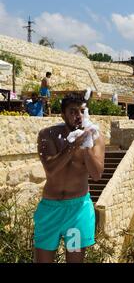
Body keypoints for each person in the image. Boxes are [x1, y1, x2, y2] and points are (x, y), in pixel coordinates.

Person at [34, 94, 105, 263]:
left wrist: (86, 145)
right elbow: (51, 169)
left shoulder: (95, 138)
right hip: (50, 209)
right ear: (63, 115)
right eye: (72, 111)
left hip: (77, 211)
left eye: (82, 111)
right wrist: (73, 145)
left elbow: (96, 175)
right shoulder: (48, 135)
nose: (78, 115)